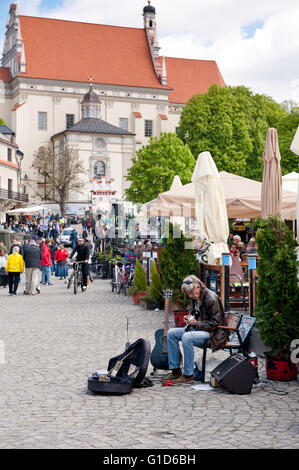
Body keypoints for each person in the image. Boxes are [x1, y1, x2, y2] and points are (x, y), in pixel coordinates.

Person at [164, 275, 229, 384]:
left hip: (215, 334)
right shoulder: (195, 297)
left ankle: (188, 374)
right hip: (201, 330)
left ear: (198, 287)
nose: (189, 296)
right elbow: (195, 313)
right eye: (187, 293)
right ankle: (175, 371)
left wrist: (196, 323)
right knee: (171, 333)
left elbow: (216, 323)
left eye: (191, 293)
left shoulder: (211, 298)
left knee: (187, 337)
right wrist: (189, 318)